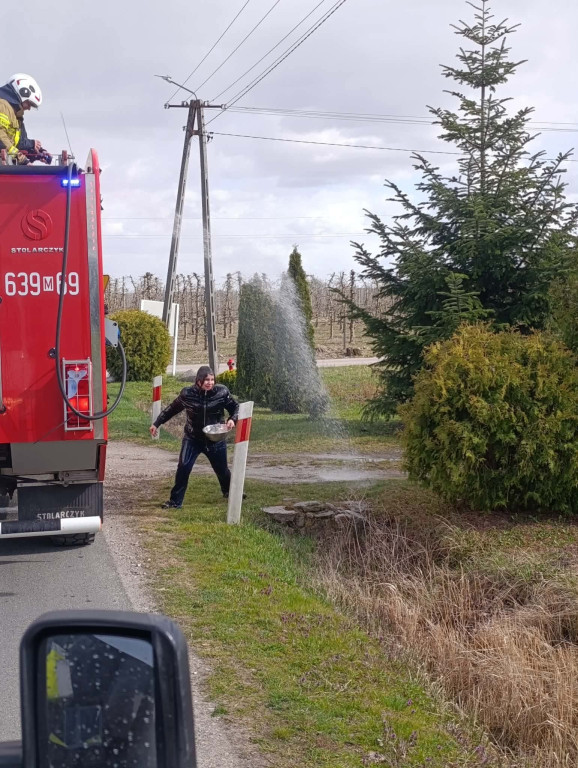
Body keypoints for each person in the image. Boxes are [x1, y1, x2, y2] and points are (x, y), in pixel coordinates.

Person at [149, 366, 239, 508]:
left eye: (212, 380)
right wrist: (157, 423)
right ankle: (175, 502)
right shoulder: (187, 394)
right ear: (198, 381)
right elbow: (171, 409)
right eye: (206, 380)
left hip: (215, 438)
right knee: (184, 467)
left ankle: (230, 491)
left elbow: (235, 407)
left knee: (221, 469)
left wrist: (233, 419)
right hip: (192, 438)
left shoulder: (222, 392)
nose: (210, 383)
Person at [0, 73, 44, 164]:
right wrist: (22, 159)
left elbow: (18, 143)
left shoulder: (16, 116)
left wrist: (36, 153)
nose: (29, 108)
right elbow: (1, 139)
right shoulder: (3, 106)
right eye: (29, 103)